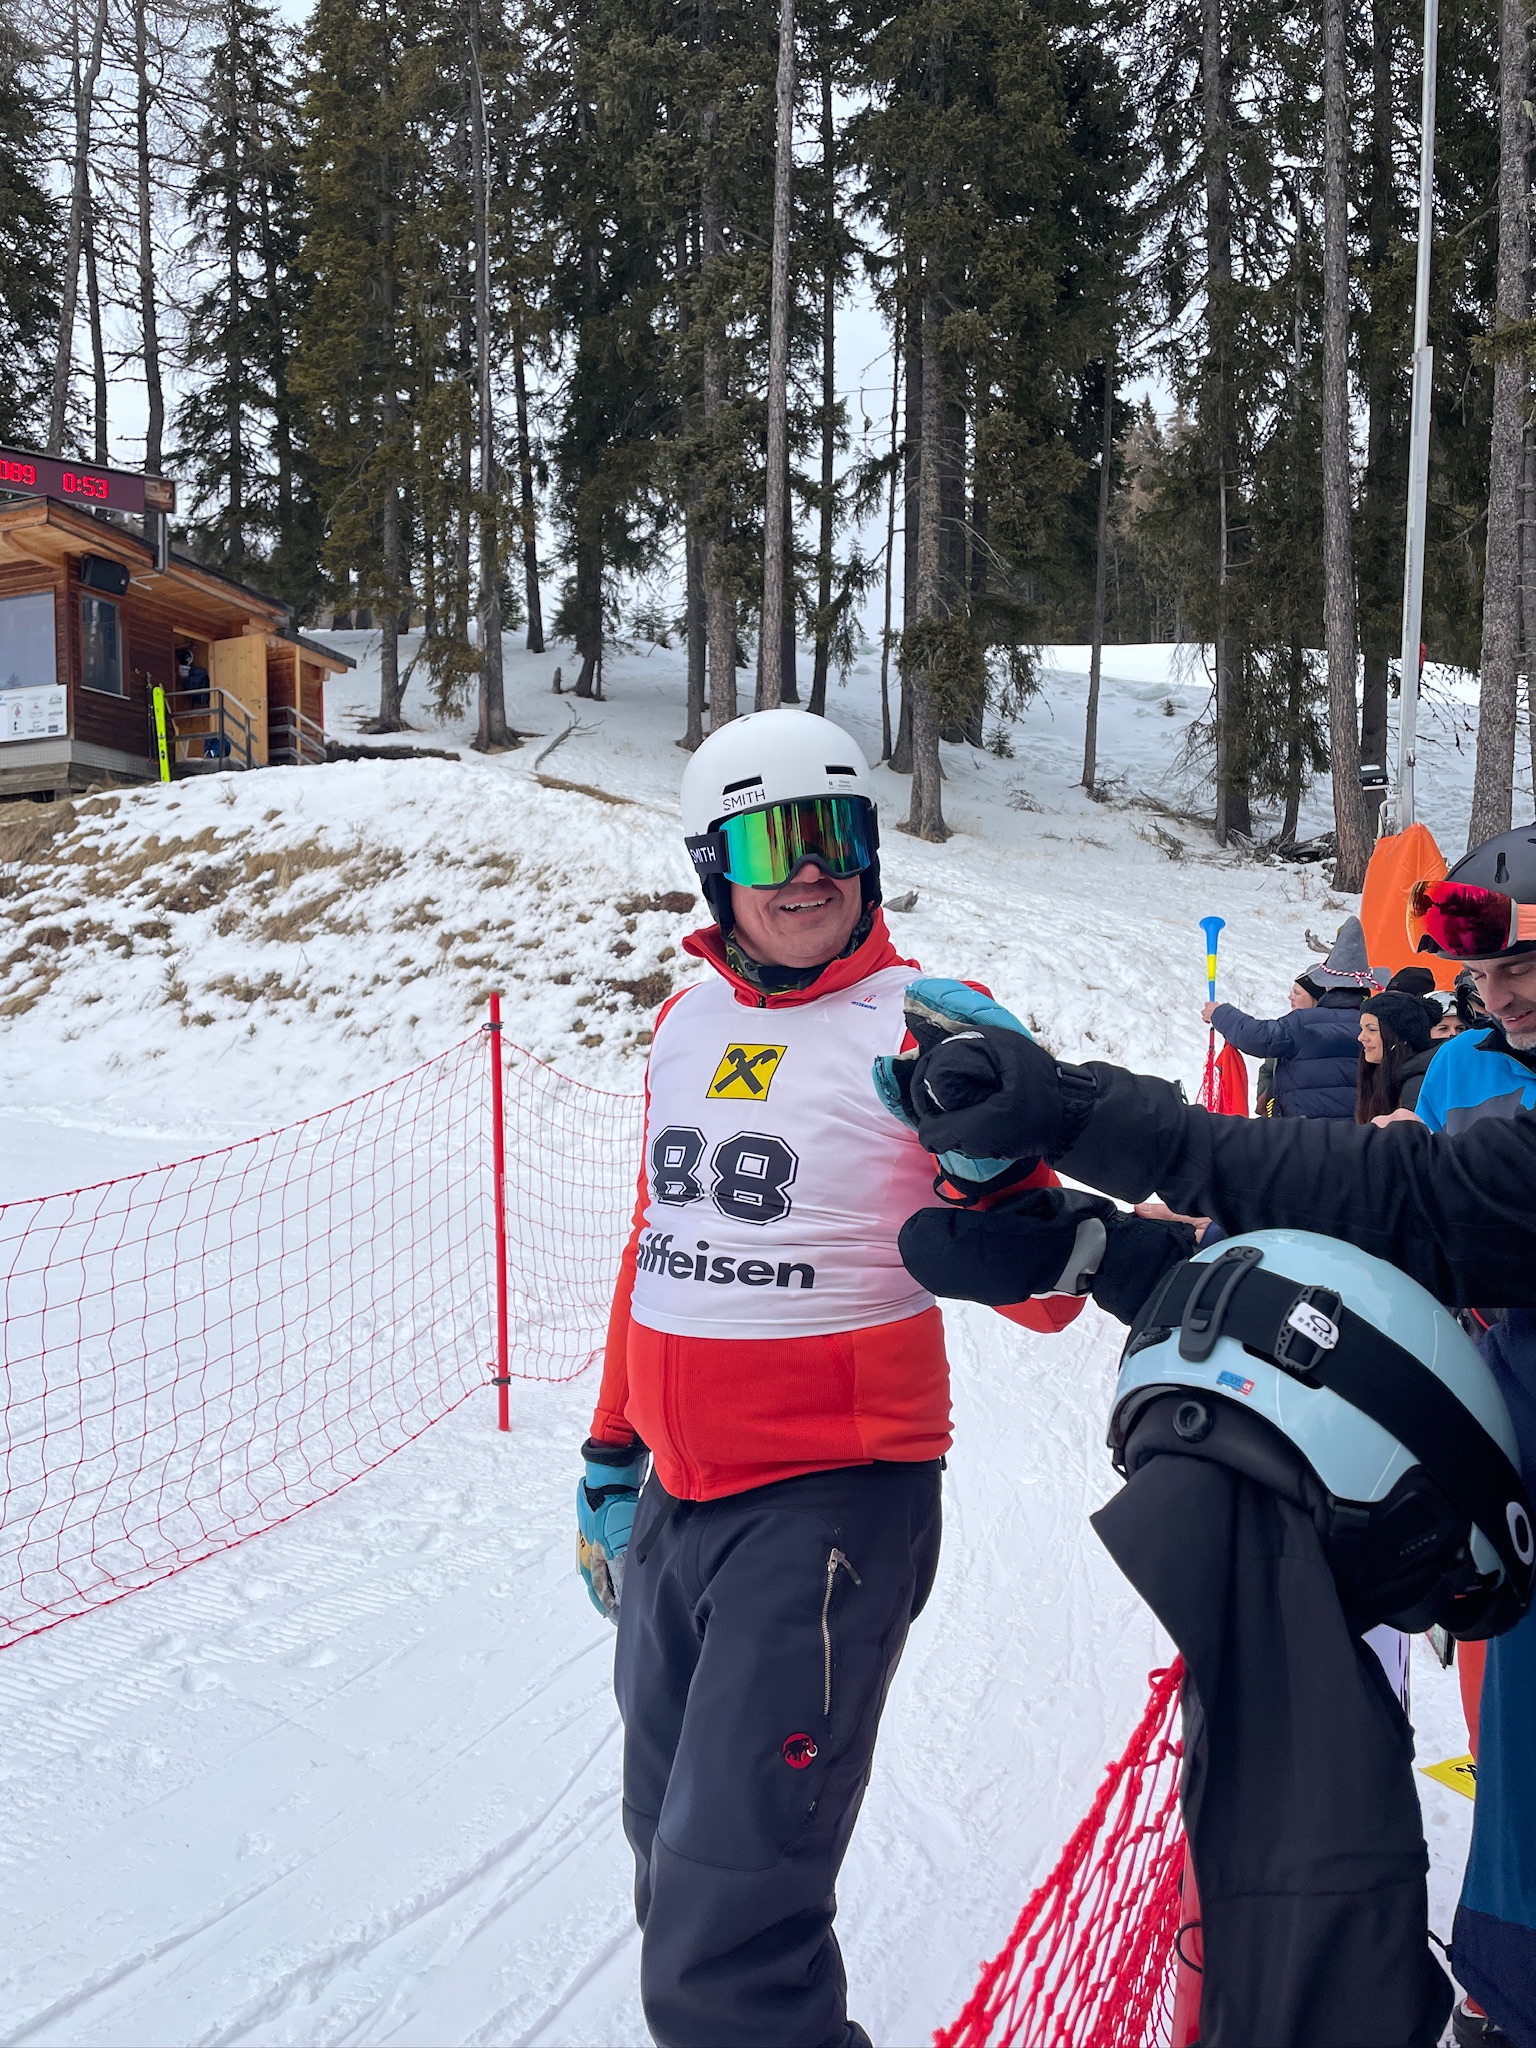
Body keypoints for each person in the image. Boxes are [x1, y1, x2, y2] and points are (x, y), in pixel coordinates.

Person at [888, 822, 1536, 2048]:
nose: (1501, 994)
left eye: (1528, 964)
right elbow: (1395, 1301)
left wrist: (1092, 1116)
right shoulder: (1477, 1072)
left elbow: (1414, 1206)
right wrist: (1117, 1257)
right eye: (1489, 969)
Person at [576, 708, 1081, 2048]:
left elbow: (1045, 1297)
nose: (809, 871)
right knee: (667, 1843)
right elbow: (658, 1244)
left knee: (728, 1919)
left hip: (832, 1505)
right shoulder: (685, 1023)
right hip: (679, 1502)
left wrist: (992, 1152)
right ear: (712, 867)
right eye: (770, 842)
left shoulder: (922, 1027)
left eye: (835, 835)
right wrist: (611, 1450)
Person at [1203, 917, 1385, 1119]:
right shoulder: (1383, 1027)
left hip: (1304, 1133)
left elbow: (1256, 1036)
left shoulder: (1302, 1023)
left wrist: (1219, 1013)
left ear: (1328, 984)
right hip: (1361, 1133)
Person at [1356, 990, 1437, 1122]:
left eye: (1372, 1029)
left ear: (1401, 1037)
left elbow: (1413, 1134)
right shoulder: (1383, 1075)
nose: (1361, 1037)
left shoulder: (1415, 1085)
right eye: (1362, 1028)